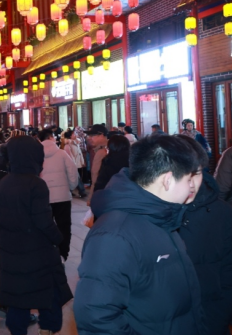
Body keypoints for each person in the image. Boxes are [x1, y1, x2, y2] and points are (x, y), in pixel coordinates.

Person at [74, 135, 206, 335]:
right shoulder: (114, 236)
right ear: (168, 180)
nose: (193, 186)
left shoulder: (163, 216)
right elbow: (96, 317)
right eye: (188, 179)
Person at [0, 136, 73, 335]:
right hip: (37, 250)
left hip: (12, 249)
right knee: (49, 290)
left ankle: (17, 329)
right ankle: (47, 328)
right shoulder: (35, 184)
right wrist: (59, 238)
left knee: (18, 293)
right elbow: (44, 221)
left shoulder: (4, 182)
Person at [176, 135, 232, 335]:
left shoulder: (221, 212)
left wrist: (220, 316)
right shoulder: (147, 217)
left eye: (196, 173)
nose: (190, 183)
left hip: (212, 317)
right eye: (182, 174)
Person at [38, 128, 79, 262]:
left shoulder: (36, 154)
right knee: (64, 226)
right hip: (62, 197)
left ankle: (46, 253)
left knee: (44, 225)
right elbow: (73, 172)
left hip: (43, 197)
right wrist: (70, 187)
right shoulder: (62, 153)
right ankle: (62, 253)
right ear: (51, 137)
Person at [63, 130, 87, 198]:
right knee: (76, 178)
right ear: (70, 136)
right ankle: (81, 191)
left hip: (76, 164)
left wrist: (82, 162)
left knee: (72, 178)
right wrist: (73, 165)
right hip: (72, 165)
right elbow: (70, 156)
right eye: (74, 133)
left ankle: (70, 191)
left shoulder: (76, 143)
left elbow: (79, 153)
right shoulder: (68, 145)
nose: (76, 134)